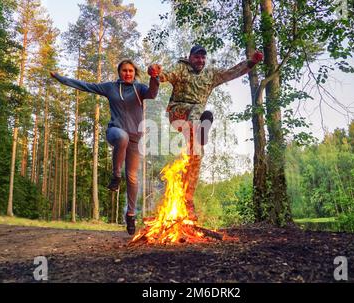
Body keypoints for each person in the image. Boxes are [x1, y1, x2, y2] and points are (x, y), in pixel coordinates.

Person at [148, 45, 263, 221]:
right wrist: (156, 73)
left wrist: (252, 62)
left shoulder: (211, 75)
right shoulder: (181, 68)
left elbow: (232, 72)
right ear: (190, 57)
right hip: (178, 113)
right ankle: (201, 131)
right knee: (197, 111)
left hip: (195, 121)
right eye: (197, 57)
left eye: (203, 58)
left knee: (196, 156)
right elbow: (166, 75)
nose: (200, 61)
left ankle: (187, 202)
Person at [50, 59, 160, 235]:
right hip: (115, 132)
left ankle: (130, 215)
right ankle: (116, 175)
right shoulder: (110, 88)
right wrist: (61, 78)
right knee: (122, 137)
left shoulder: (139, 89)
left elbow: (153, 94)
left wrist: (154, 77)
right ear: (119, 72)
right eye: (124, 70)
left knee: (132, 177)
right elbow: (86, 85)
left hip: (135, 139)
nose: (127, 73)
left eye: (131, 71)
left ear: (135, 73)